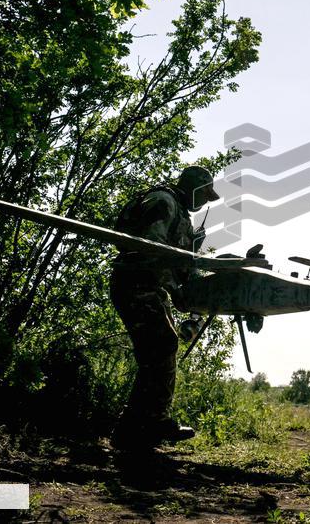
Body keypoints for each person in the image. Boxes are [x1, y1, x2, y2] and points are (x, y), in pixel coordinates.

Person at [109, 165, 219, 452]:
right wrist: (183, 264)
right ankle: (140, 427)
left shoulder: (180, 214)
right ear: (194, 187)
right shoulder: (164, 202)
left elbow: (180, 268)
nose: (206, 201)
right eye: (204, 194)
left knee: (161, 349)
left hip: (151, 288)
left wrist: (202, 273)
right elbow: (152, 249)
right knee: (160, 346)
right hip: (136, 284)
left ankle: (142, 425)